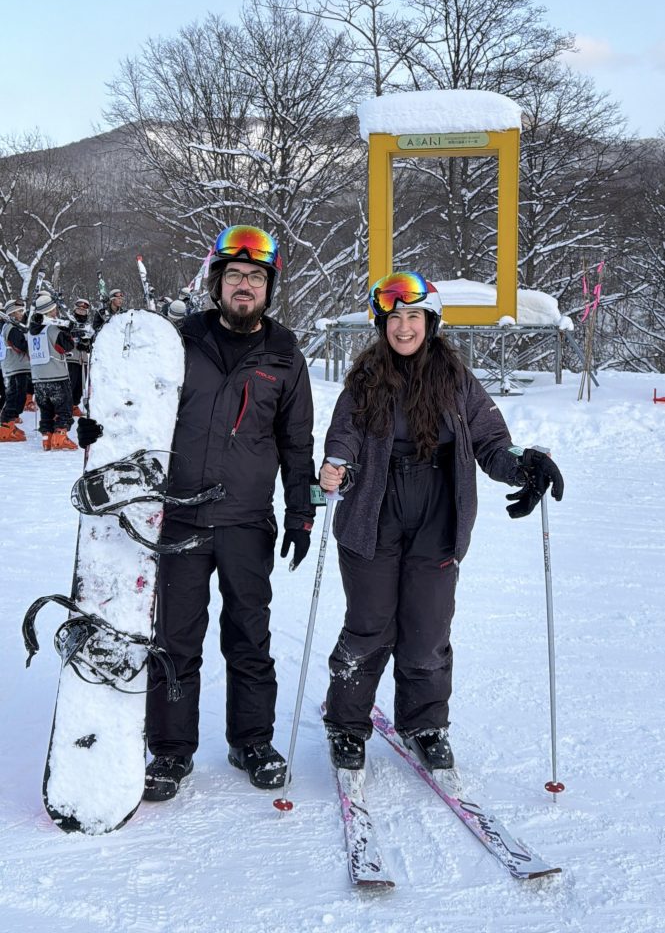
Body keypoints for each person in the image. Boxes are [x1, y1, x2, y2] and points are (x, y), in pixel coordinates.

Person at [79, 224, 316, 801]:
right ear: (216, 282)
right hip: (178, 518)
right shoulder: (175, 341)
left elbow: (298, 443)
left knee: (248, 636)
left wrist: (301, 512)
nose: (243, 286)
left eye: (255, 277)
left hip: (244, 519)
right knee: (176, 639)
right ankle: (170, 751)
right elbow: (129, 408)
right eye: (233, 275)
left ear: (268, 287)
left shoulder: (284, 353)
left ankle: (251, 740)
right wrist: (98, 430)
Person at [319, 271, 564, 773]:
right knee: (370, 627)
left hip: (437, 512)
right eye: (394, 318)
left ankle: (425, 723)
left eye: (413, 317)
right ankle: (347, 725)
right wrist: (337, 465)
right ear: (381, 324)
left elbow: (492, 440)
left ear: (430, 322)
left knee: (427, 629)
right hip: (374, 513)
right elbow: (344, 435)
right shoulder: (365, 380)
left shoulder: (456, 380)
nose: (404, 327)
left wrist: (523, 461)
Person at [29, 292, 78, 450]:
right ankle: (60, 437)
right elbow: (66, 346)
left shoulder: (30, 332)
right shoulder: (52, 329)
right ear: (49, 311)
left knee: (46, 411)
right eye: (54, 310)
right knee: (63, 408)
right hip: (56, 376)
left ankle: (46, 437)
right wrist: (67, 332)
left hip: (38, 379)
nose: (56, 312)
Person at [0, 299, 30, 443]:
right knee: (14, 396)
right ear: (11, 313)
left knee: (19, 397)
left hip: (20, 366)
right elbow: (21, 345)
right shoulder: (11, 328)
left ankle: (10, 423)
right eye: (19, 312)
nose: (22, 314)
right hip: (14, 367)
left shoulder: (16, 327)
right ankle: (5, 426)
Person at [66, 299, 93, 416]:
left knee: (80, 385)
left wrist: (87, 344)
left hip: (83, 360)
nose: (81, 312)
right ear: (74, 310)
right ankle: (65, 407)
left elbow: (93, 340)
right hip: (70, 358)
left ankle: (74, 405)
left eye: (84, 310)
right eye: (79, 309)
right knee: (70, 384)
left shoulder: (88, 326)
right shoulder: (69, 322)